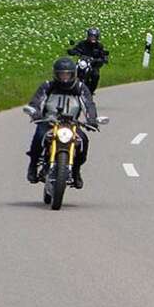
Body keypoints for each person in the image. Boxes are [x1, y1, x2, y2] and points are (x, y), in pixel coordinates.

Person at [25, 57, 98, 188]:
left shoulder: (80, 87)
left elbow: (89, 104)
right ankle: (33, 165)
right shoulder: (48, 86)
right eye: (61, 74)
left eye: (67, 74)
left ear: (73, 74)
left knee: (83, 141)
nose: (64, 77)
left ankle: (76, 171)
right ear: (56, 74)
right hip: (50, 122)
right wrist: (35, 112)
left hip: (72, 124)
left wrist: (91, 120)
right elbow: (37, 101)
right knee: (39, 137)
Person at [66, 27, 109, 92]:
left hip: (93, 65)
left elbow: (103, 54)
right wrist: (72, 51)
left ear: (97, 37)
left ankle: (91, 91)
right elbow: (76, 49)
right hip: (82, 62)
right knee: (72, 70)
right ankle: (67, 86)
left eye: (94, 36)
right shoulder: (82, 43)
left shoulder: (99, 46)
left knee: (95, 75)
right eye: (91, 36)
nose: (92, 38)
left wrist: (104, 59)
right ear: (88, 36)